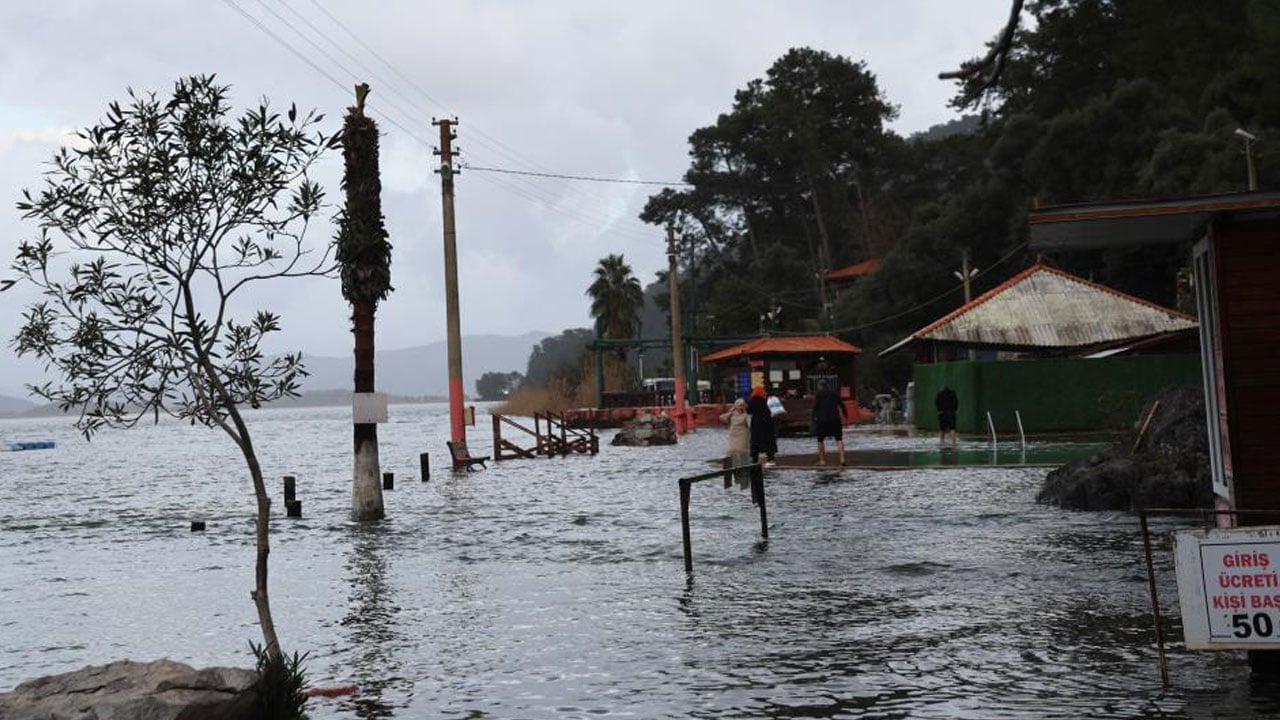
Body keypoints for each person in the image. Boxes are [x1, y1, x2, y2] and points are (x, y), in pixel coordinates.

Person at [811, 379, 848, 466]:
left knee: (820, 440)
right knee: (839, 439)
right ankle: (842, 459)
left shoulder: (818, 395)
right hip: (835, 419)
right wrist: (845, 416)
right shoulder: (834, 394)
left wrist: (813, 419)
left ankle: (822, 461)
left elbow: (815, 408)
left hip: (822, 420)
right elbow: (842, 405)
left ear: (819, 386)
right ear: (827, 385)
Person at [720, 398, 751, 485]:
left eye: (743, 405)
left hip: (742, 435)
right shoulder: (732, 415)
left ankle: (743, 474)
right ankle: (733, 473)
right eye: (740, 405)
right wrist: (730, 412)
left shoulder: (745, 415)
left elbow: (750, 425)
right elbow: (722, 418)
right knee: (731, 452)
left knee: (741, 452)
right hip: (733, 435)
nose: (741, 407)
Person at [746, 385, 777, 467]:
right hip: (767, 423)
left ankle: (754, 459)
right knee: (769, 440)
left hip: (756, 423)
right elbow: (772, 410)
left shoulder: (752, 401)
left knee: (755, 440)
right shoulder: (767, 400)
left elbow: (748, 411)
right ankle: (770, 459)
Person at [935, 385, 959, 449]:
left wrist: (939, 410)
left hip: (942, 413)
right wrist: (954, 410)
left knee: (942, 429)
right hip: (951, 413)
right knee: (952, 428)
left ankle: (942, 443)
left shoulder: (940, 394)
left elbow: (937, 403)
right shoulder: (953, 394)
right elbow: (956, 403)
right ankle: (954, 444)